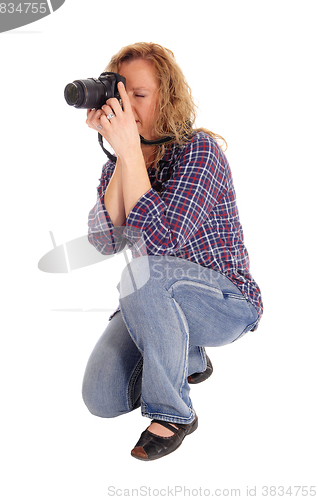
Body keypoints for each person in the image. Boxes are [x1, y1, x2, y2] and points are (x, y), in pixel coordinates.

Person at [82, 42, 263, 461]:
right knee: (102, 397)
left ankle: (174, 412)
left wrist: (129, 151)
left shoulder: (199, 151)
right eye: (119, 95)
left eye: (138, 96)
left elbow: (163, 243)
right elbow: (104, 242)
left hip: (227, 304)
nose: (127, 107)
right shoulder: (117, 165)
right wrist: (125, 157)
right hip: (154, 301)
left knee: (144, 271)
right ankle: (189, 356)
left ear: (167, 98)